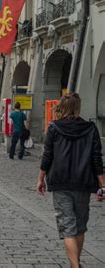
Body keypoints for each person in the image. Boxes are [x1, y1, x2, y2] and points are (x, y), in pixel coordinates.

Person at [36, 93, 104, 268]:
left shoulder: (54, 128)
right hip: (84, 182)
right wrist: (103, 184)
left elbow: (47, 156)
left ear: (62, 106)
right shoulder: (91, 128)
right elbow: (97, 158)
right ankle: (76, 263)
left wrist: (40, 179)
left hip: (60, 182)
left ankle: (74, 266)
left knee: (67, 226)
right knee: (79, 226)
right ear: (78, 107)